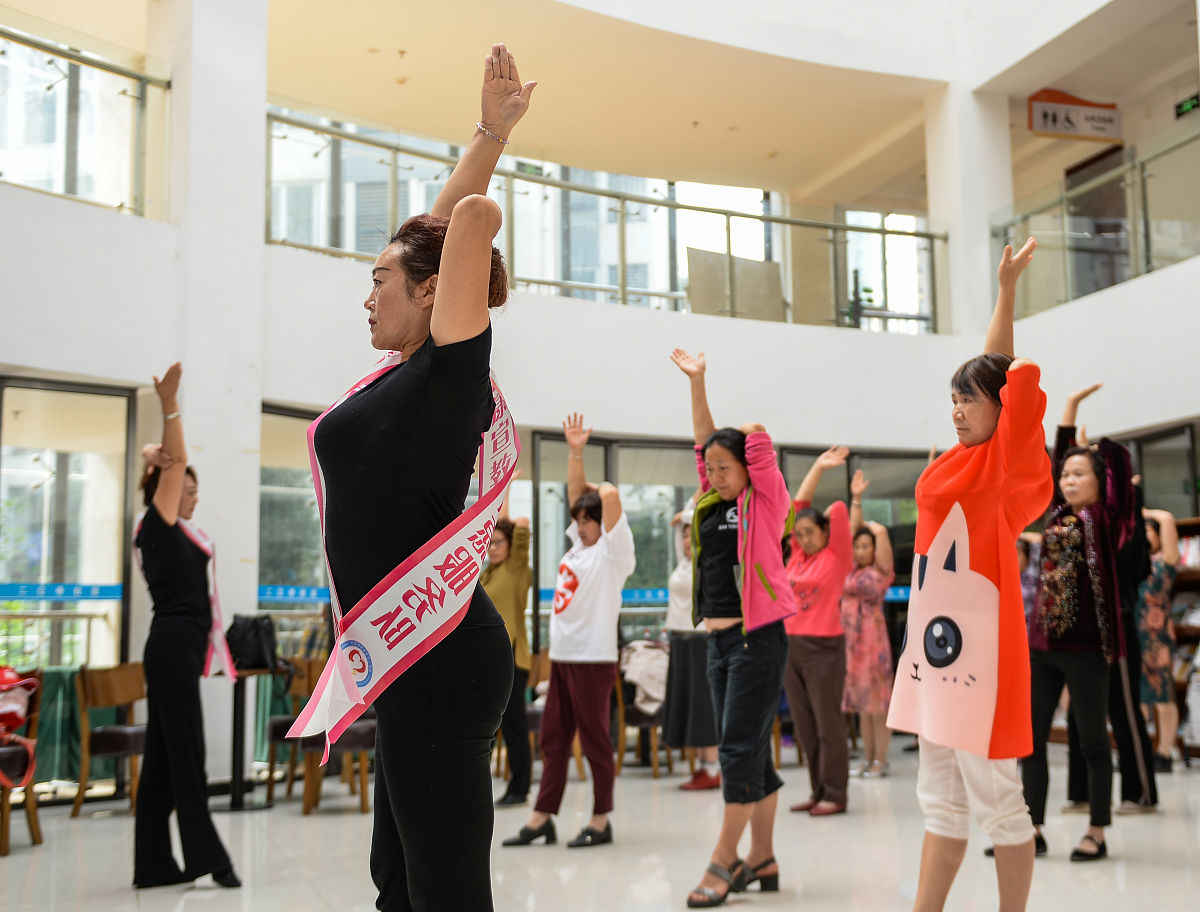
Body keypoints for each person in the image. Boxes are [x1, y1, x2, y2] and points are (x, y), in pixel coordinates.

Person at [310, 43, 534, 911]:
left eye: (379, 280)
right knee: (397, 882)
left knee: (442, 887)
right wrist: (490, 131)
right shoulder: (405, 374)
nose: (366, 297)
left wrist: (479, 212)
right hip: (415, 656)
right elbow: (435, 234)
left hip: (441, 658)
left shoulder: (449, 377)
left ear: (433, 294)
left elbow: (459, 229)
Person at [888, 238, 1051, 912]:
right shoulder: (948, 463)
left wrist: (1006, 290)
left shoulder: (1004, 468)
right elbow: (988, 378)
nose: (957, 408)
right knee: (940, 800)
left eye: (969, 400)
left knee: (998, 801)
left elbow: (1003, 372)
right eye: (952, 397)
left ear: (997, 410)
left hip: (980, 654)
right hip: (933, 649)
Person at [670, 348, 797, 909]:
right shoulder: (710, 498)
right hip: (718, 641)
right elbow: (706, 441)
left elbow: (755, 436)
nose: (716, 474)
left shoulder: (764, 501)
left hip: (756, 639)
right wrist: (698, 383)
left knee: (735, 751)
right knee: (749, 751)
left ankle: (724, 860)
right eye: (712, 468)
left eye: (726, 467)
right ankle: (764, 857)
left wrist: (742, 438)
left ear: (748, 468)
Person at [503, 412, 636, 849]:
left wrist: (594, 487)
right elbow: (577, 496)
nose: (580, 525)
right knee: (553, 740)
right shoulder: (578, 548)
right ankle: (543, 816)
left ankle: (602, 819)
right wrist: (574, 451)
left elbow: (610, 495)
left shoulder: (614, 555)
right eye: (577, 519)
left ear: (604, 523)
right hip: (562, 657)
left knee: (596, 740)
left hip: (593, 660)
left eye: (588, 519)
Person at [132, 363, 239, 890]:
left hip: (174, 647)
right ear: (166, 492)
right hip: (172, 646)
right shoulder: (158, 524)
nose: (192, 495)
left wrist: (153, 458)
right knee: (187, 754)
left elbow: (167, 469)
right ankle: (210, 857)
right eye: (185, 489)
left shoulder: (162, 532)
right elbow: (174, 468)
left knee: (161, 757)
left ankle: (153, 863)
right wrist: (170, 406)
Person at [1022, 387, 1138, 863]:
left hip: (1089, 649)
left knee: (1092, 740)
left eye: (1078, 474)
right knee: (1029, 740)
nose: (1067, 481)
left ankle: (1097, 830)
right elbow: (1052, 470)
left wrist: (1097, 448)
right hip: (1043, 645)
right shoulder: (1056, 515)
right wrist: (1066, 414)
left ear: (1099, 481)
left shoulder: (1106, 518)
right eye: (1065, 474)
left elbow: (1119, 467)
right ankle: (1033, 828)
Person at [783, 447, 856, 815]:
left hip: (824, 648)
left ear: (827, 532)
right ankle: (817, 790)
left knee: (828, 725)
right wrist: (815, 467)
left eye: (811, 532)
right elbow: (798, 506)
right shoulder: (797, 554)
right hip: (790, 647)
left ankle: (835, 794)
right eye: (800, 534)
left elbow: (839, 511)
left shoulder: (836, 555)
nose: (804, 538)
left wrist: (827, 474)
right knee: (804, 726)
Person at [482, 475, 534, 807]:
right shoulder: (487, 573)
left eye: (499, 542)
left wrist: (507, 489)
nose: (493, 548)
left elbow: (520, 525)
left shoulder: (516, 569)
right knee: (486, 729)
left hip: (513, 659)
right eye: (490, 543)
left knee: (514, 728)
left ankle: (519, 788)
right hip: (487, 661)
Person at [663, 503, 722, 790]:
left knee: (703, 706)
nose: (686, 540)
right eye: (684, 536)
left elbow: (697, 522)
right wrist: (682, 524)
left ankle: (712, 767)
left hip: (700, 639)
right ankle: (701, 767)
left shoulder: (706, 561)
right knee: (689, 705)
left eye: (691, 535)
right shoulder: (682, 565)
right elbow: (677, 533)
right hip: (680, 640)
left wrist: (687, 517)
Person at [842, 511, 896, 778]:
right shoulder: (850, 570)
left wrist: (867, 524)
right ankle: (867, 759)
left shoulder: (880, 572)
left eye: (866, 546)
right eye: (858, 546)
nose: (861, 550)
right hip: (853, 646)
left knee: (877, 707)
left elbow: (883, 533)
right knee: (862, 708)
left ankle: (881, 760)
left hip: (874, 644)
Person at [1140, 507, 1181, 771]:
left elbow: (1167, 517)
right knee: (1138, 697)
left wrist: (1142, 508)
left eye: (1147, 530)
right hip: (1133, 635)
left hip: (1158, 638)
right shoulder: (1133, 562)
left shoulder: (1163, 563)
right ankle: (1140, 751)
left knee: (1163, 695)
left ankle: (1165, 751)